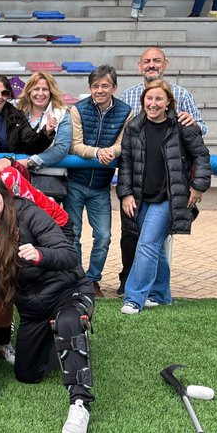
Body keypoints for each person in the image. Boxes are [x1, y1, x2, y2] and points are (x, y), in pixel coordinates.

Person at [0, 174, 96, 433]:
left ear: (4, 194)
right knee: (26, 374)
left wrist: (40, 255)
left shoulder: (30, 214)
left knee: (69, 322)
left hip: (66, 291)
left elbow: (69, 255)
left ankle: (79, 402)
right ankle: (60, 339)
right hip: (33, 309)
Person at [117, 47, 207, 293]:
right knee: (143, 242)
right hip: (138, 187)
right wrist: (125, 191)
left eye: (156, 60)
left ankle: (133, 295)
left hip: (168, 189)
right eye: (147, 61)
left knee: (148, 243)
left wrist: (193, 123)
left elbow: (200, 140)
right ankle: (160, 293)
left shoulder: (181, 95)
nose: (151, 65)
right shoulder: (128, 97)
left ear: (165, 64)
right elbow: (124, 149)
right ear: (139, 66)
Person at [65, 66, 131, 297]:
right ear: (89, 88)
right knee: (72, 233)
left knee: (103, 235)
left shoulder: (126, 111)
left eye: (104, 85)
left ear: (114, 87)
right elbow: (74, 144)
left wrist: (111, 152)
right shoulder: (78, 109)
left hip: (101, 186)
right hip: (75, 183)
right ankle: (76, 278)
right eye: (95, 86)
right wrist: (97, 152)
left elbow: (124, 143)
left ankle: (92, 279)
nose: (99, 90)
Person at [16, 71, 72, 200]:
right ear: (29, 91)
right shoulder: (18, 113)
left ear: (51, 92)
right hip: (19, 177)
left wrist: (30, 162)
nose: (40, 94)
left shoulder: (62, 113)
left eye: (45, 89)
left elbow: (61, 149)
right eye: (36, 89)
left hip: (49, 179)